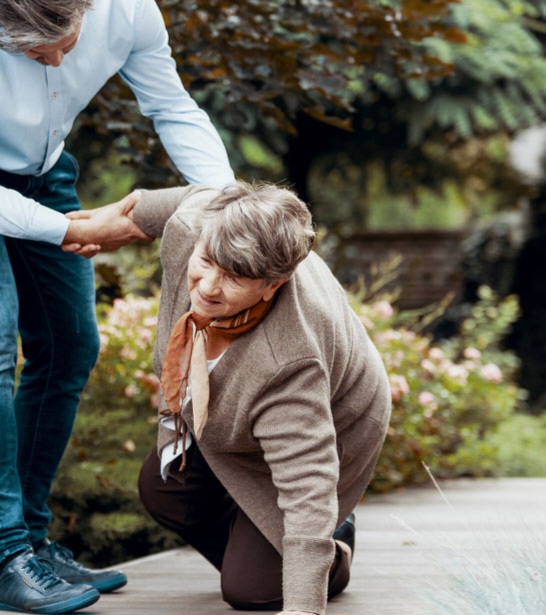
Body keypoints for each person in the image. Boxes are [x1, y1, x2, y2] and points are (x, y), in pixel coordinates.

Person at [0, 0, 235, 612]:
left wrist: (228, 204)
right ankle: (5, 559)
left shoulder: (129, 10)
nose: (51, 60)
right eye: (28, 52)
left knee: (72, 345)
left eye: (63, 45)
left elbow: (172, 107)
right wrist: (67, 231)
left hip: (42, 171)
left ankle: (34, 544)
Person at [128, 183, 391, 615]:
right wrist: (117, 219)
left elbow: (308, 487)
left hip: (335, 425)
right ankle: (260, 535)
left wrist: (302, 607)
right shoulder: (195, 231)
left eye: (234, 277)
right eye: (207, 262)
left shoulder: (289, 365)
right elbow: (201, 194)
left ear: (273, 285)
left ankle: (334, 545)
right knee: (163, 486)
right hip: (246, 421)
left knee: (251, 591)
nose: (208, 287)